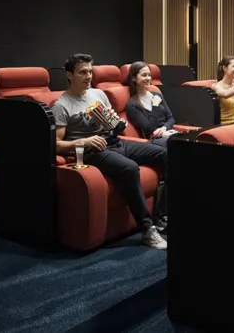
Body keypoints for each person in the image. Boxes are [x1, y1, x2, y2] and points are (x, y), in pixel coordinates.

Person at [52, 53, 167, 250]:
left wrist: (116, 123)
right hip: (92, 150)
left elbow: (113, 126)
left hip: (115, 141)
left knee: (164, 154)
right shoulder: (61, 106)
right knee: (130, 168)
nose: (88, 76)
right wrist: (83, 141)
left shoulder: (99, 94)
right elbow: (56, 144)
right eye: (82, 72)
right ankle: (147, 229)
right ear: (69, 75)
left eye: (90, 71)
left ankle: (163, 215)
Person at [126, 61, 178, 147]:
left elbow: (171, 118)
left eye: (149, 75)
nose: (148, 78)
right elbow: (149, 127)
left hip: (168, 133)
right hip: (154, 140)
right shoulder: (132, 104)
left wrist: (164, 127)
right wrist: (155, 106)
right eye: (144, 75)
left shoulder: (157, 95)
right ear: (134, 78)